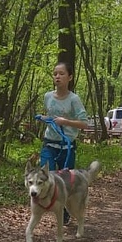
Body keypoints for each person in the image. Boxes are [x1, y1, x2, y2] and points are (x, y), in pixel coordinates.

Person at [39, 60, 88, 222]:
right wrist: (47, 119)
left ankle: (65, 210)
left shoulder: (74, 99)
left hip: (67, 147)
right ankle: (45, 206)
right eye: (55, 74)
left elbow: (84, 123)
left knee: (66, 182)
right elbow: (51, 116)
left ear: (70, 77)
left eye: (61, 74)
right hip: (49, 144)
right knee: (48, 175)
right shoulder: (47, 96)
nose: (57, 77)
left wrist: (65, 121)